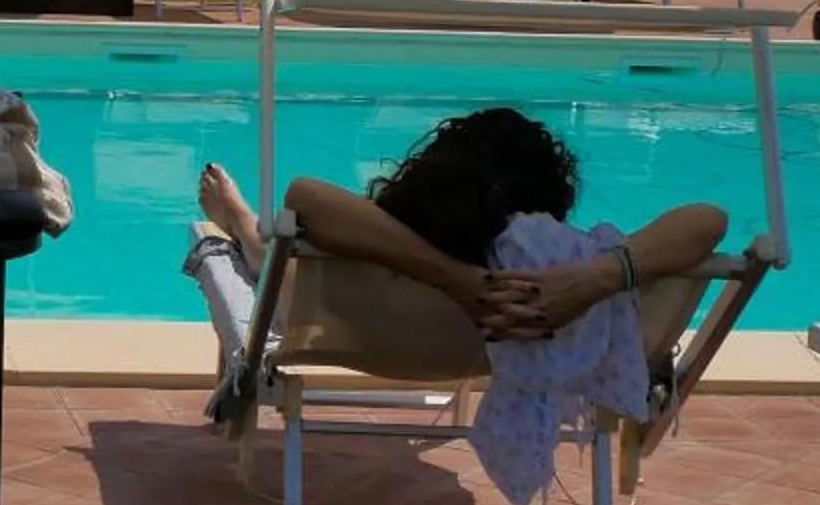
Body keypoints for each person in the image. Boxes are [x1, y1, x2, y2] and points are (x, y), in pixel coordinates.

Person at [189, 105, 726, 345]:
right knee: (289, 241)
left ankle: (239, 221)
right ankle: (243, 223)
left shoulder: (380, 239)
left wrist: (457, 280)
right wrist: (596, 279)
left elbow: (305, 195)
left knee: (274, 252)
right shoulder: (557, 273)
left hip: (345, 329)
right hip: (469, 355)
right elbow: (710, 221)